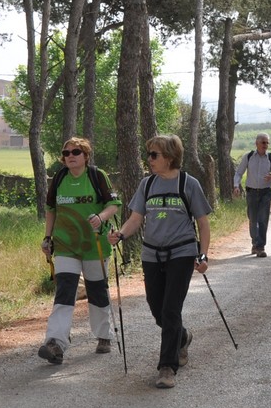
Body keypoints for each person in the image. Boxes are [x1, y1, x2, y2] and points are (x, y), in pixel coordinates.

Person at [102, 134, 212, 389]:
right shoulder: (147, 184)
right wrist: (120, 235)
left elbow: (203, 223)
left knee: (171, 309)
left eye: (154, 155)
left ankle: (167, 367)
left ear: (170, 157)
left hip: (181, 253)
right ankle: (182, 337)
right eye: (149, 154)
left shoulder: (188, 183)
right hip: (151, 254)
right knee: (157, 309)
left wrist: (203, 254)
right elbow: (135, 218)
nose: (149, 159)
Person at [37, 137, 121, 364]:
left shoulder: (97, 176)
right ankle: (55, 343)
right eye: (66, 153)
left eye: (75, 152)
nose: (70, 156)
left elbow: (114, 204)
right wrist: (47, 237)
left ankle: (103, 335)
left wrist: (100, 217)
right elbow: (51, 209)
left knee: (97, 291)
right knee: (64, 292)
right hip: (65, 245)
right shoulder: (59, 178)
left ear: (86, 155)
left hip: (95, 244)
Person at [233, 134, 271, 257]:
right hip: (252, 193)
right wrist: (236, 186)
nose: (265, 145)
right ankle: (255, 243)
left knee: (263, 220)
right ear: (257, 143)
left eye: (267, 143)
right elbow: (239, 173)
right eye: (263, 142)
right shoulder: (248, 157)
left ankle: (260, 247)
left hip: (265, 193)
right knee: (253, 220)